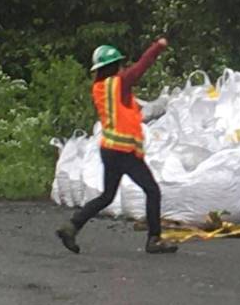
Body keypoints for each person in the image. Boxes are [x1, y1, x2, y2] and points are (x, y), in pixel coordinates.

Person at [55, 38, 177, 254]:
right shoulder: (118, 84)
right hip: (124, 152)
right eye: (119, 64)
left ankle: (72, 226)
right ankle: (154, 240)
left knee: (107, 196)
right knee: (152, 191)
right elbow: (141, 67)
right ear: (113, 67)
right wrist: (158, 46)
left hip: (109, 150)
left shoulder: (100, 88)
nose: (123, 67)